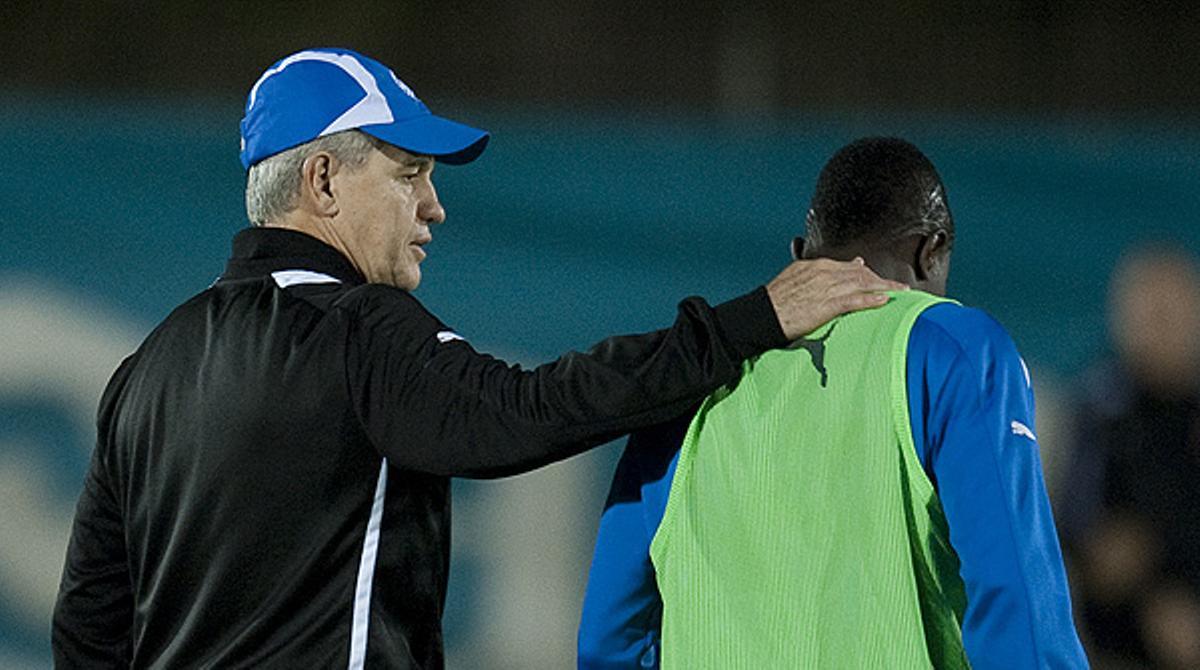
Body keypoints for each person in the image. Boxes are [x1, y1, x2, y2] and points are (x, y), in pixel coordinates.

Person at [49, 48, 902, 669]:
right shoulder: (357, 329)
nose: (434, 206)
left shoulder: (148, 369)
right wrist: (747, 323)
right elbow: (525, 412)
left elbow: (90, 629)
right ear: (322, 182)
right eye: (410, 172)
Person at [578, 137, 1089, 669]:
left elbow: (609, 643)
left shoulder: (689, 384)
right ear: (929, 251)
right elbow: (1017, 609)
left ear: (800, 253)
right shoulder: (952, 347)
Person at [1058, 245, 1200, 669]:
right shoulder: (1102, 408)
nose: (1159, 329)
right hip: (1125, 643)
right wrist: (1154, 593)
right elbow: (1094, 544)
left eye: (1170, 314)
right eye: (1148, 315)